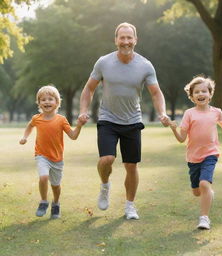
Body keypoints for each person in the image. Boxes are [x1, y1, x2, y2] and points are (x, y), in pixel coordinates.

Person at [79, 22, 170, 220]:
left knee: (131, 165)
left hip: (132, 120)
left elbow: (156, 93)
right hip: (108, 118)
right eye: (122, 38)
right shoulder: (103, 62)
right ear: (116, 40)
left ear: (135, 40)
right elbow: (89, 89)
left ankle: (130, 206)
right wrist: (84, 110)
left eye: (130, 38)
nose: (126, 42)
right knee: (107, 159)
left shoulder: (145, 65)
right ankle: (105, 185)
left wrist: (162, 112)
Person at [169, 75, 222, 230]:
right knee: (197, 191)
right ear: (192, 96)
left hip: (210, 154)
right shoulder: (189, 114)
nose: (201, 94)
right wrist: (174, 129)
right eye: (197, 92)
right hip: (193, 157)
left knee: (204, 183)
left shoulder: (216, 112)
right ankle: (208, 193)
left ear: (210, 94)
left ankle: (204, 218)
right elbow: (181, 139)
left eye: (204, 91)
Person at [20, 85, 86, 219]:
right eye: (43, 99)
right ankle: (44, 201)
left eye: (50, 99)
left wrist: (79, 126)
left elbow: (73, 136)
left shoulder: (61, 120)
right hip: (41, 155)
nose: (47, 102)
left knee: (55, 186)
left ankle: (56, 204)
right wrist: (25, 137)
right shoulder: (36, 118)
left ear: (57, 102)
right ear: (39, 103)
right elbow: (29, 126)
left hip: (57, 158)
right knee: (43, 177)